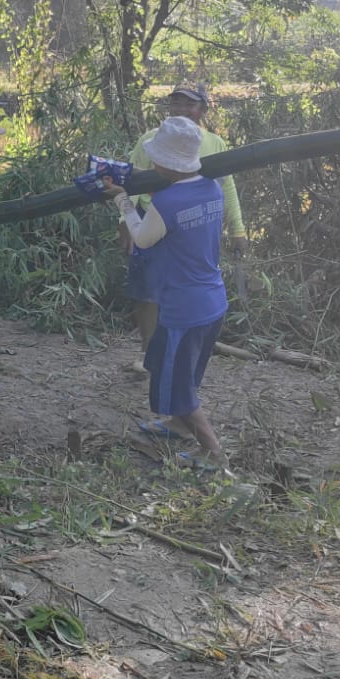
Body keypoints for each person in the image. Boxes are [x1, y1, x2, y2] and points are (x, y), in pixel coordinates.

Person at [106, 116, 230, 471]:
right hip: (211, 299)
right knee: (167, 362)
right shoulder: (213, 188)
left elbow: (143, 239)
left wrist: (122, 201)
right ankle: (178, 425)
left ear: (167, 162)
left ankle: (213, 451)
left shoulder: (168, 202)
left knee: (177, 383)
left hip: (183, 308)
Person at [124, 83, 247, 348]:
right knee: (147, 290)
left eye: (190, 104)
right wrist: (125, 223)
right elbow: (132, 179)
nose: (181, 109)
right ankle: (149, 349)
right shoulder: (151, 140)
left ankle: (180, 343)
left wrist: (237, 228)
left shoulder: (215, 143)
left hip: (192, 222)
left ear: (203, 109)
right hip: (151, 217)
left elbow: (227, 187)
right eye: (176, 102)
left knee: (185, 284)